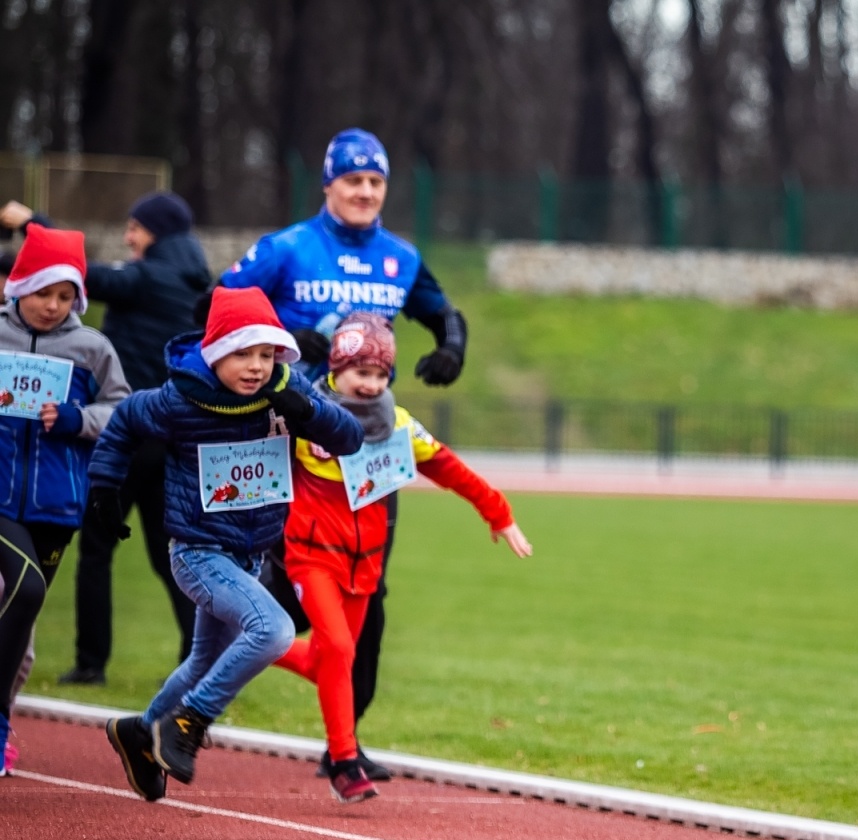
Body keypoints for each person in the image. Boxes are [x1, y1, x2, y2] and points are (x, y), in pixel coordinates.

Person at [218, 128, 469, 781]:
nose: (364, 191)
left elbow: (446, 314)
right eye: (352, 179)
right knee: (277, 587)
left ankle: (344, 746)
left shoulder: (400, 258)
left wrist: (451, 348)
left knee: (368, 596)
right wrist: (282, 335)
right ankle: (199, 690)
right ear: (328, 184)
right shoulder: (289, 247)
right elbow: (217, 307)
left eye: (375, 181)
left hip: (370, 451)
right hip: (293, 442)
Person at [93, 287, 361, 801]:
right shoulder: (178, 399)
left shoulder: (287, 387)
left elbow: (349, 438)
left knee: (202, 662)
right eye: (242, 353)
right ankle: (188, 722)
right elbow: (125, 420)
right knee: (275, 630)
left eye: (266, 354)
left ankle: (139, 732)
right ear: (216, 352)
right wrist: (106, 485)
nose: (257, 366)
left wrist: (305, 409)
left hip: (250, 553)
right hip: (197, 550)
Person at [273, 312, 530, 802]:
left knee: (327, 662)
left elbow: (450, 468)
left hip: (364, 564)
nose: (370, 384)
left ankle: (252, 644)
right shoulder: (306, 414)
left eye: (379, 375)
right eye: (359, 372)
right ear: (336, 368)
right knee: (341, 651)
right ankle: (344, 762)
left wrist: (498, 513)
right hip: (312, 557)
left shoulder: (398, 424)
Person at [0, 192, 209, 684]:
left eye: (135, 227)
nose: (129, 236)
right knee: (169, 554)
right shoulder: (192, 280)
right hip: (171, 435)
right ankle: (193, 660)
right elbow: (67, 277)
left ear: (156, 232)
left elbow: (73, 271)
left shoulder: (145, 277)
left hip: (126, 437)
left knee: (96, 550)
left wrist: (36, 224)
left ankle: (91, 661)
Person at [0, 226, 130, 775]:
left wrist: (80, 420)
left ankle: (3, 717)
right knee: (23, 589)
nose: (53, 306)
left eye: (65, 295)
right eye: (42, 292)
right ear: (18, 286)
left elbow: (123, 412)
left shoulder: (92, 348)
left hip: (56, 504)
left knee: (19, 629)